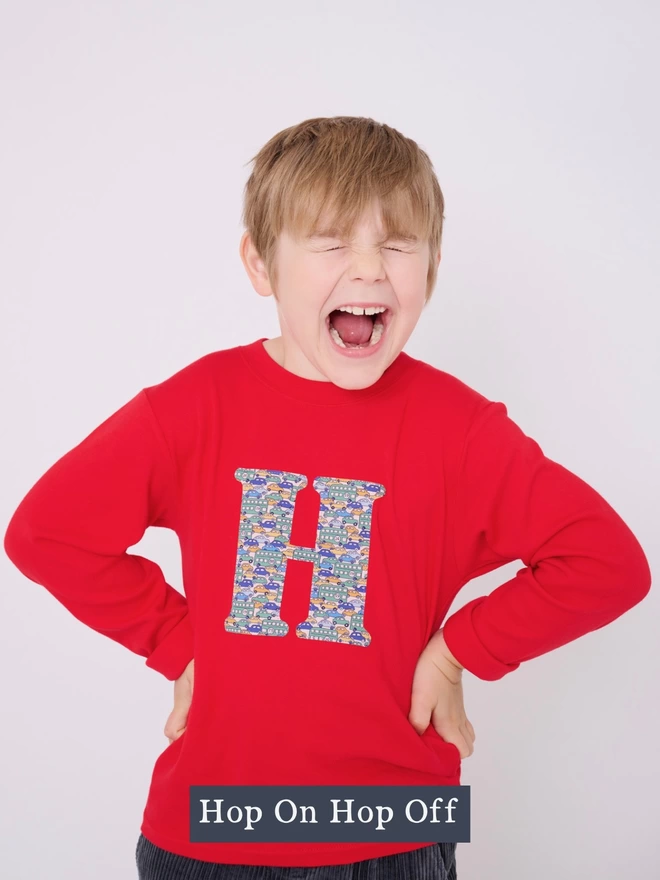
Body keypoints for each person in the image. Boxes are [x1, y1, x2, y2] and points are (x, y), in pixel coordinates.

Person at [3, 116, 651, 880]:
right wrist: (177, 642)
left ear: (433, 269)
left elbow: (609, 563)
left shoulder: (461, 430)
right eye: (332, 240)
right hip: (211, 830)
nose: (370, 269)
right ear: (261, 263)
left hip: (393, 830)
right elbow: (46, 533)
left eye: (398, 244)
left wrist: (457, 652)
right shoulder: (194, 407)